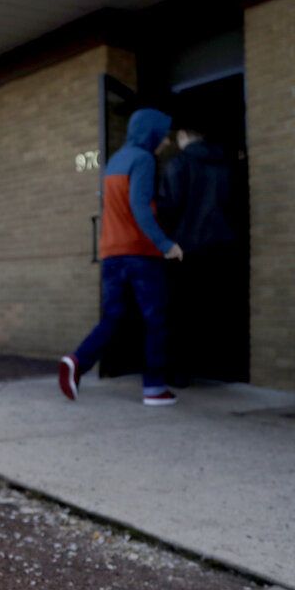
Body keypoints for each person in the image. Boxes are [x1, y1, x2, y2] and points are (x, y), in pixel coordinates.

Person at [59, 108, 182, 406]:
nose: (165, 143)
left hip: (111, 254)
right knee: (156, 319)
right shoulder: (143, 160)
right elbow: (140, 208)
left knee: (113, 317)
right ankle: (154, 388)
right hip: (140, 254)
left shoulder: (115, 161)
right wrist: (166, 244)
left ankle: (77, 361)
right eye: (162, 137)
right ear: (151, 133)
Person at [157, 124, 241, 384]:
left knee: (181, 312)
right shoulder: (226, 163)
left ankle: (180, 373)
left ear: (182, 135)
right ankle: (221, 367)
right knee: (215, 308)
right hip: (222, 245)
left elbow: (168, 208)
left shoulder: (178, 164)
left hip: (186, 247)